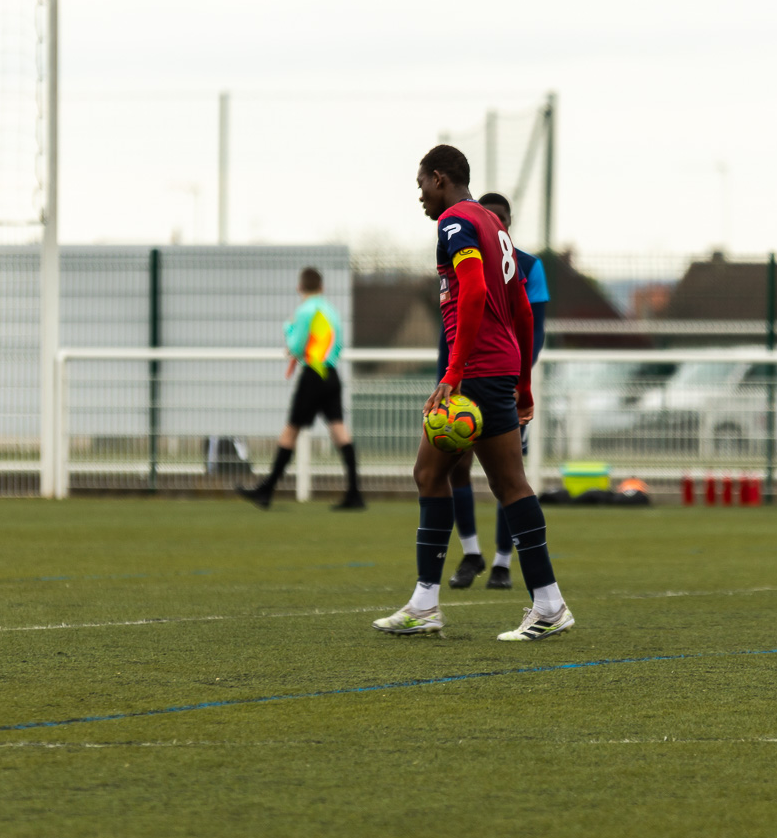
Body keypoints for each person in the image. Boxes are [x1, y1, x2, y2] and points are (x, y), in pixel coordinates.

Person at [373, 144, 573, 641]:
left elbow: (478, 292)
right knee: (495, 482)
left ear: (439, 179)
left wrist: (453, 373)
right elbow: (523, 311)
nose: (420, 197)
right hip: (499, 368)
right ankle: (534, 603)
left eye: (421, 185)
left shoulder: (456, 223)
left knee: (442, 475)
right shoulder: (494, 224)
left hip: (477, 372)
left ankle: (439, 603)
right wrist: (523, 383)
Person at [443, 191, 549, 592]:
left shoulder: (525, 265)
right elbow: (451, 324)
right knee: (452, 470)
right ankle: (470, 554)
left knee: (506, 479)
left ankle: (504, 562)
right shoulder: (463, 247)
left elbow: (530, 323)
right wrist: (448, 372)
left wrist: (522, 380)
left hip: (491, 377)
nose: (491, 222)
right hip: (471, 375)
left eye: (498, 218)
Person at [237, 267, 364, 510]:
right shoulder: (331, 310)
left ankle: (266, 491)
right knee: (340, 432)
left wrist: (288, 328)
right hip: (331, 373)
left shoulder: (305, 310)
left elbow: (295, 346)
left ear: (300, 288)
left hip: (313, 375)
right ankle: (354, 494)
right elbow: (338, 344)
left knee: (290, 431)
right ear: (322, 287)